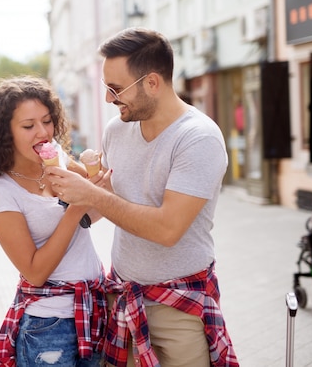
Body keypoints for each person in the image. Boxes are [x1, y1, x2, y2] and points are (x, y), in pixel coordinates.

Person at [45, 28, 239, 367]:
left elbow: (167, 230)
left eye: (115, 89)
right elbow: (106, 205)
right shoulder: (116, 130)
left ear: (152, 82)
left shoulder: (197, 139)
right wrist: (67, 186)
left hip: (179, 306)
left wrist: (93, 195)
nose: (108, 99)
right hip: (122, 295)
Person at [0, 76, 108, 367]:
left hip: (95, 312)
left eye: (47, 121)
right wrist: (75, 208)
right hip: (49, 326)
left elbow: (93, 213)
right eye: (28, 126)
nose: (43, 133)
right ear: (5, 133)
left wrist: (98, 182)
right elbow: (35, 272)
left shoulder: (58, 159)